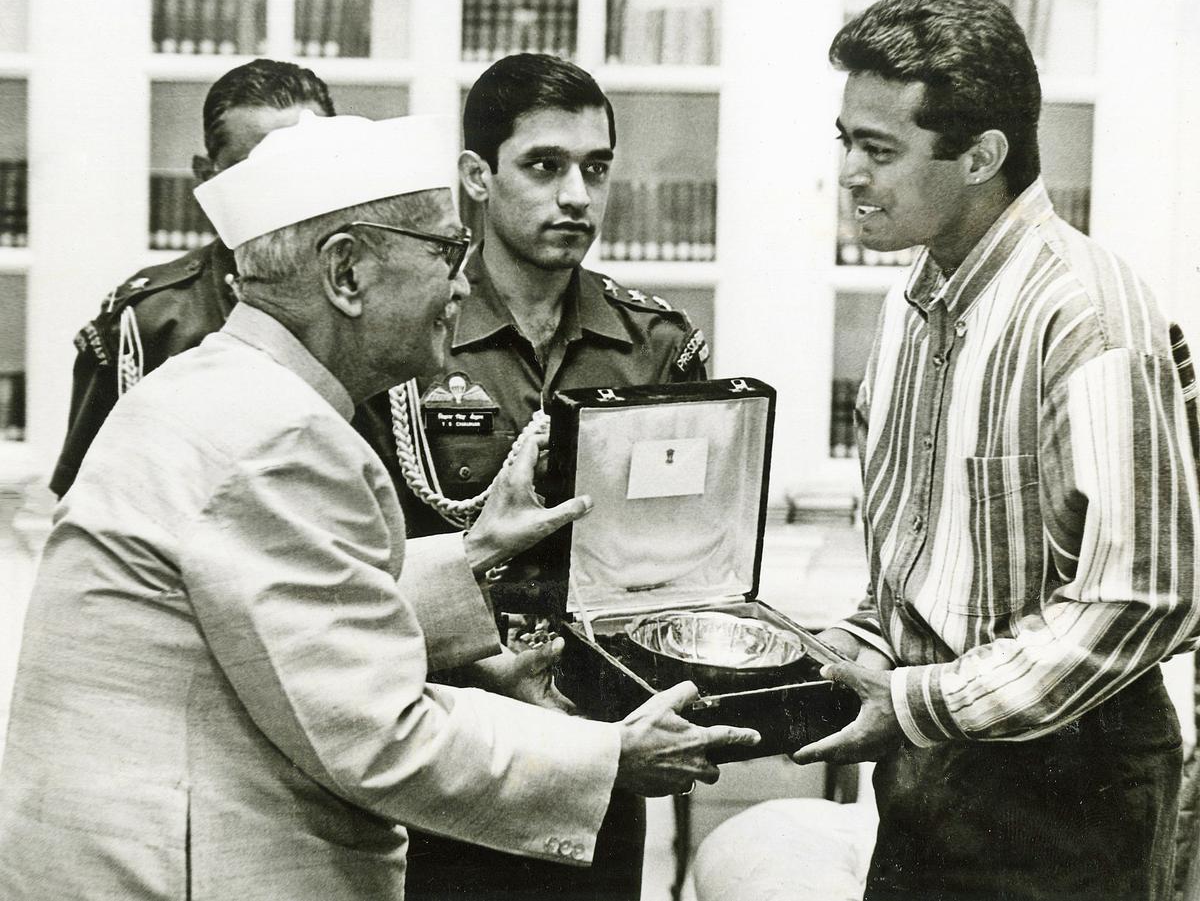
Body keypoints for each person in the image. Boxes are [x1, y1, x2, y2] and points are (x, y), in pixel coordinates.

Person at [0, 112, 759, 900]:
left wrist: (473, 555)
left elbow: (282, 615)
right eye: (447, 253)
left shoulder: (217, 386)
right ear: (347, 273)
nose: (463, 285)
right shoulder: (281, 435)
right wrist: (609, 755)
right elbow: (382, 735)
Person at [790, 0, 1200, 901]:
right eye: (845, 141)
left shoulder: (1089, 313)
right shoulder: (906, 307)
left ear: (981, 155)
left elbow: (1144, 598)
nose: (850, 173)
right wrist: (819, 654)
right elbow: (915, 569)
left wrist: (913, 703)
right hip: (926, 770)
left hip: (1072, 793)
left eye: (879, 149)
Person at [368, 52, 707, 901]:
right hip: (442, 748)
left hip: (597, 751)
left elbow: (686, 555)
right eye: (545, 166)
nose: (577, 197)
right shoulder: (409, 337)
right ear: (477, 177)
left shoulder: (656, 345)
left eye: (595, 168)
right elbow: (355, 567)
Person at [50, 57, 336, 498]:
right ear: (207, 177)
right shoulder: (149, 323)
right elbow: (90, 511)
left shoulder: (385, 302)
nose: (286, 188)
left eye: (306, 163)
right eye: (255, 171)